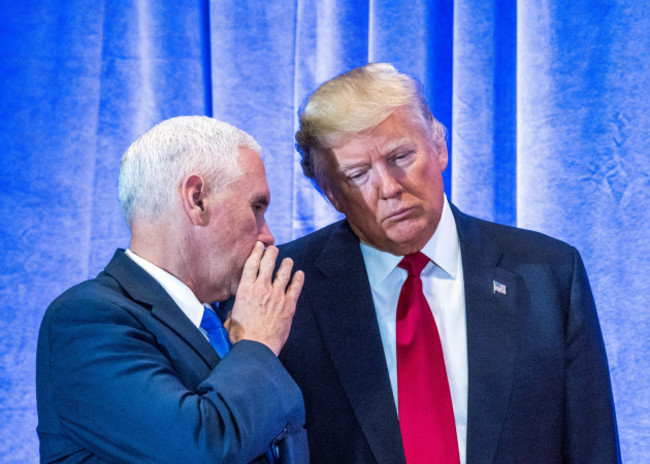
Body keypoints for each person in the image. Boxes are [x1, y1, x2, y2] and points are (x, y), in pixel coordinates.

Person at [277, 63, 620, 463]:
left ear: (439, 146)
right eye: (357, 174)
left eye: (401, 156)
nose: (389, 187)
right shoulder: (284, 287)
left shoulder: (550, 273)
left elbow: (592, 448)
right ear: (330, 193)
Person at [36, 116, 308, 463]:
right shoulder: (85, 320)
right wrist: (257, 345)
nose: (267, 235)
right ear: (196, 199)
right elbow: (199, 450)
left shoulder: (231, 318)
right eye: (256, 208)